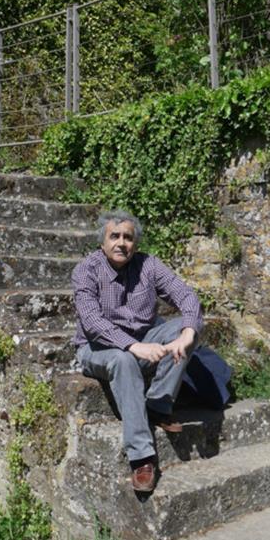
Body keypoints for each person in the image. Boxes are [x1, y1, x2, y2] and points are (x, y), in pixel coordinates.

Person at [72, 210, 203, 492]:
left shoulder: (149, 266)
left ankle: (157, 404)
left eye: (128, 238)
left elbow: (186, 295)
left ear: (136, 243)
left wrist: (188, 334)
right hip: (98, 349)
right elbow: (93, 323)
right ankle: (142, 457)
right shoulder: (86, 270)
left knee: (185, 326)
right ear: (103, 242)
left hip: (143, 341)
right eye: (115, 236)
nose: (121, 243)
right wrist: (134, 346)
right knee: (123, 360)